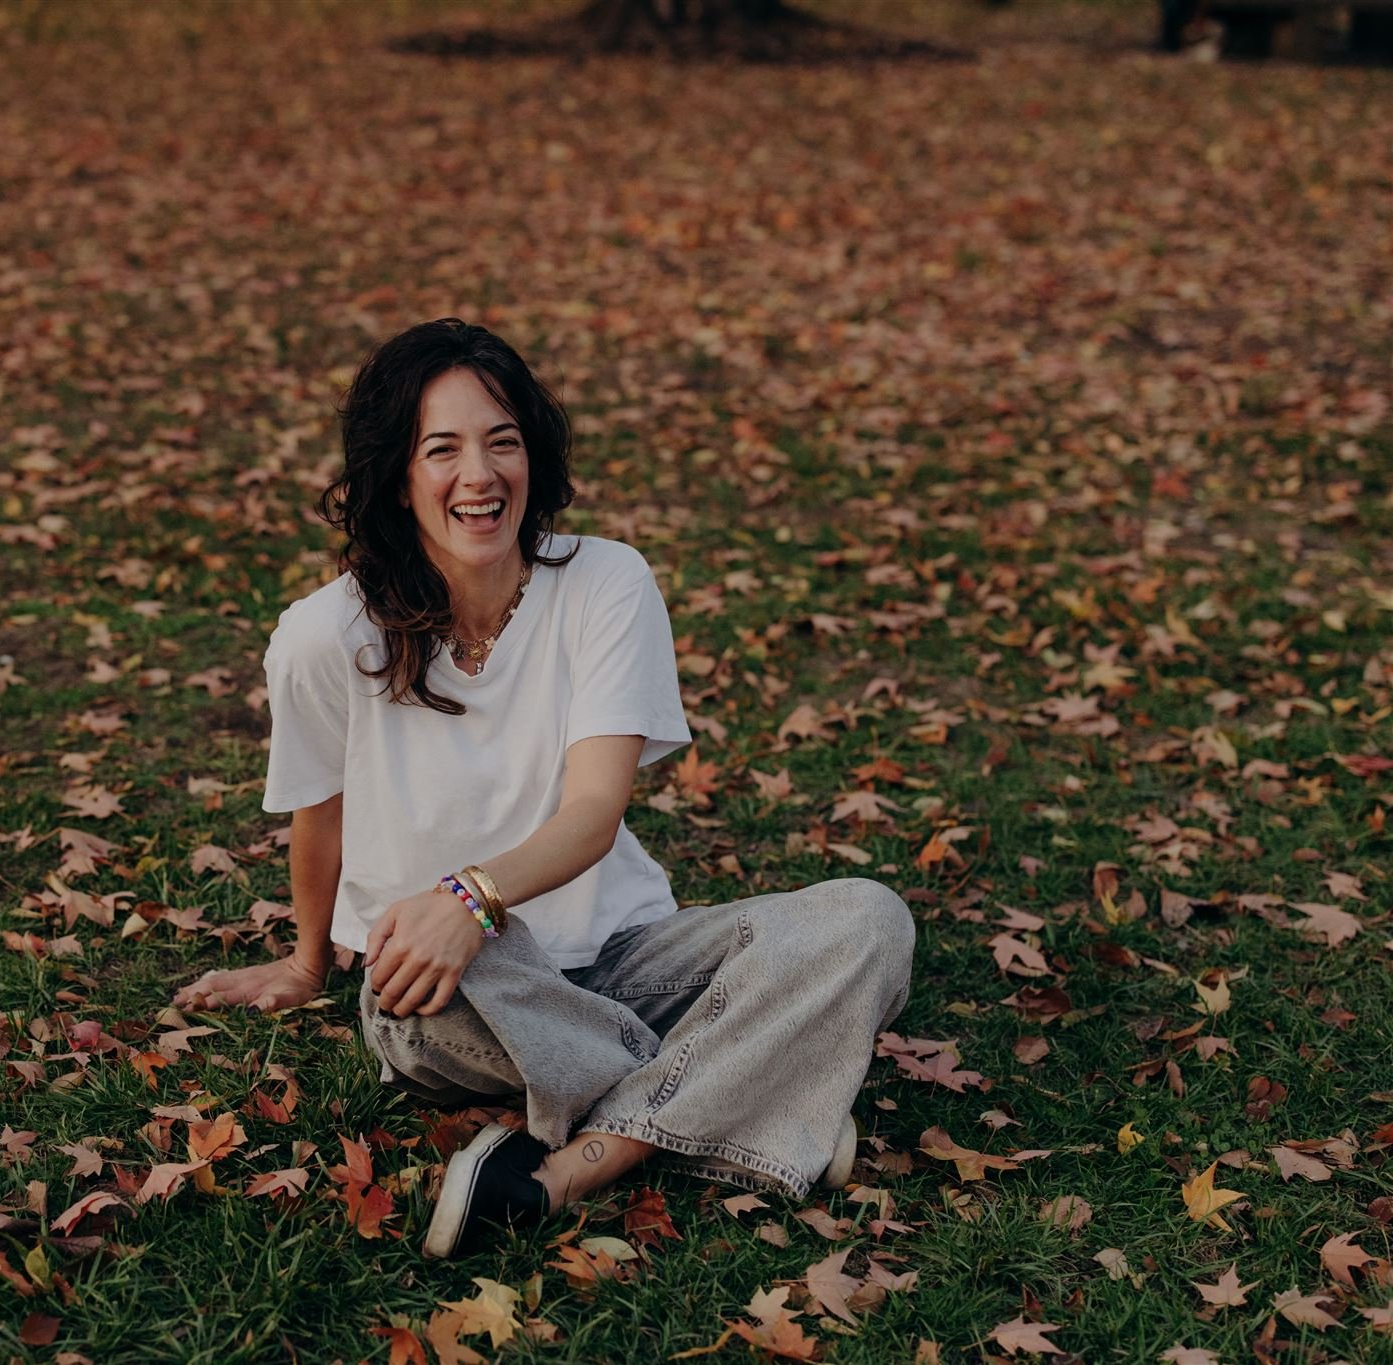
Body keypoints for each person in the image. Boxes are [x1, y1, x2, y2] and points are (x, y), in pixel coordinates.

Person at [172, 318, 914, 1259]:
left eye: (504, 441)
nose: (479, 476)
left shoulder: (607, 583)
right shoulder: (327, 636)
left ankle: (564, 1172)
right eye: (442, 450)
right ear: (397, 476)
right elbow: (322, 813)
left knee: (871, 921)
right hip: (459, 989)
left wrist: (469, 895)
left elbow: (594, 813)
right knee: (418, 993)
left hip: (625, 958)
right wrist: (310, 963)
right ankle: (761, 1090)